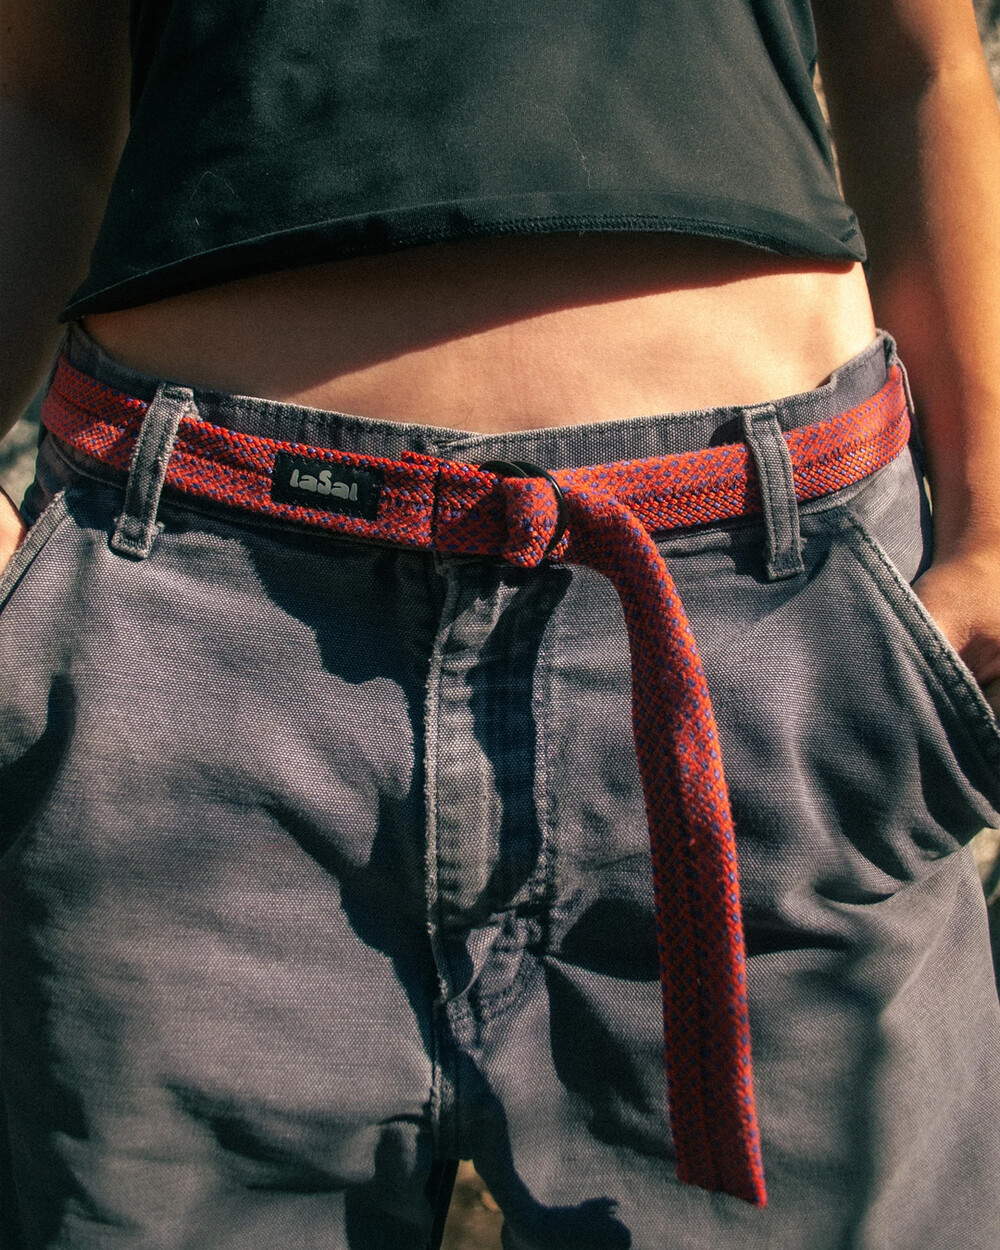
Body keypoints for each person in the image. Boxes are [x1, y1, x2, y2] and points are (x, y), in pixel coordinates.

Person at [2, 2, 999, 1247]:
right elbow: (40, 99)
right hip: (184, 655)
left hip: (755, 640)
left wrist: (993, 516)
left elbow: (915, 62)